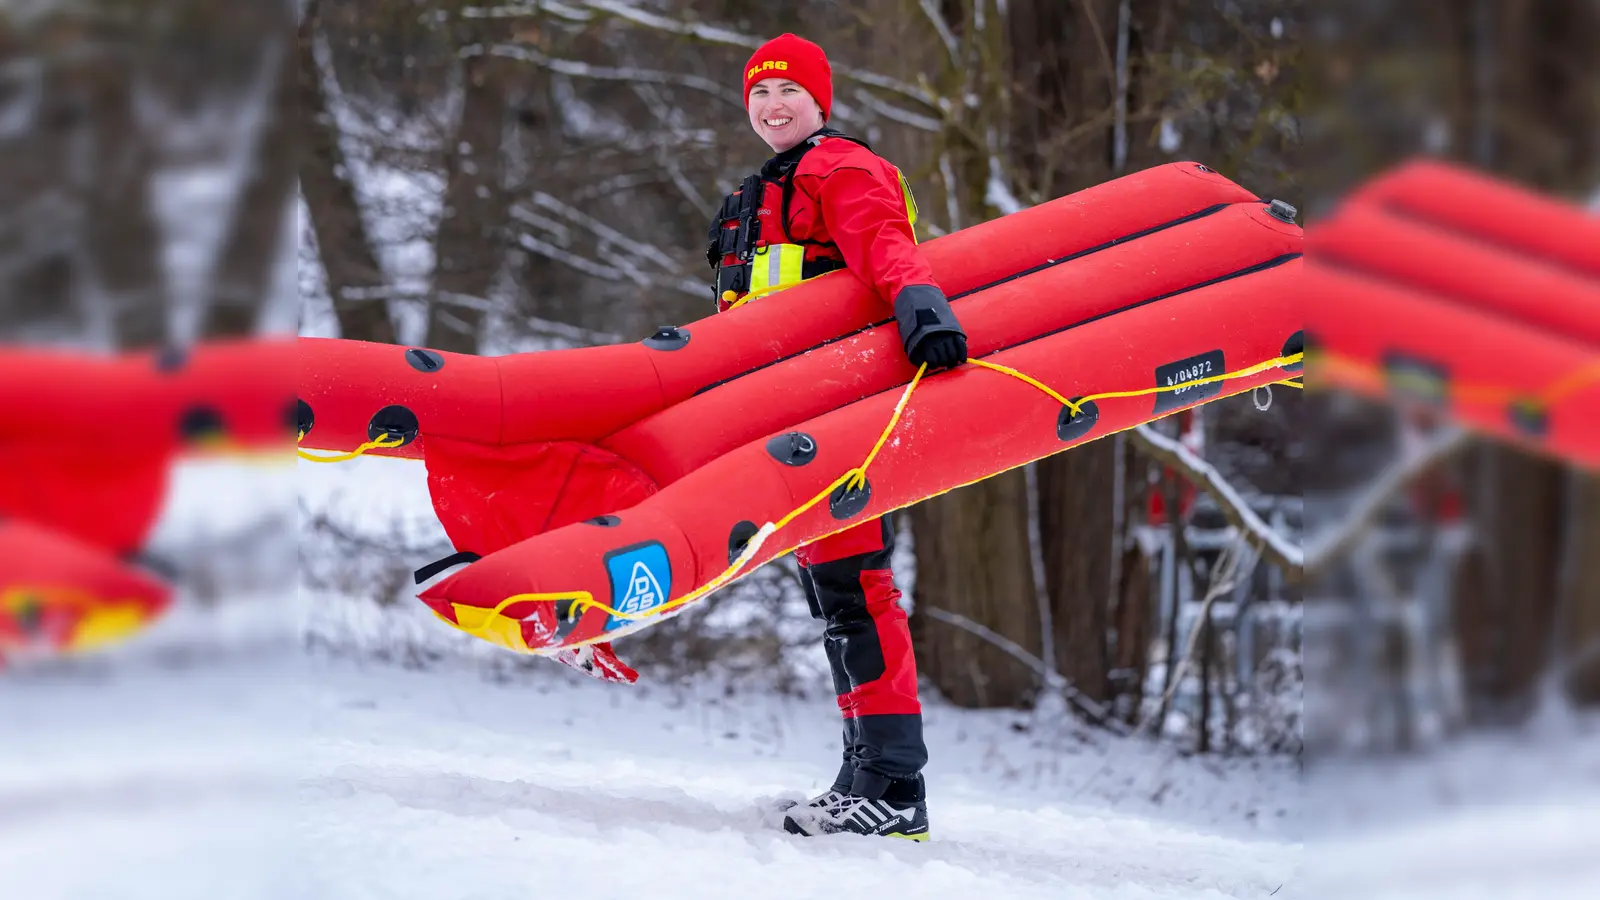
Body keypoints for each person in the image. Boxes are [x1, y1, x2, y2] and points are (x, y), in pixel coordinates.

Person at [707, 33, 968, 841]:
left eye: (789, 93)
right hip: (787, 411)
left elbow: (885, 242)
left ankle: (893, 787)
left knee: (858, 589)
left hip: (837, 409)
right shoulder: (763, 190)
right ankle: (866, 774)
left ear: (821, 103)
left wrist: (920, 304)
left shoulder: (837, 168)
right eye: (759, 96)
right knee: (836, 595)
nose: (773, 107)